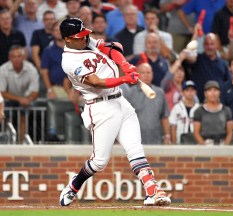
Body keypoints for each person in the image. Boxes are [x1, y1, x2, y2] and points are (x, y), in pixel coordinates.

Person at [58, 18, 171, 206]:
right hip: (100, 107)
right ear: (68, 39)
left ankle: (153, 191)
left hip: (120, 100)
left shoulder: (87, 41)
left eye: (85, 34)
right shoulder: (68, 61)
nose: (86, 38)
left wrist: (125, 65)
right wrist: (124, 79)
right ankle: (74, 186)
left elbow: (113, 47)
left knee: (135, 149)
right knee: (99, 162)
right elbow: (96, 82)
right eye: (80, 36)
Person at [0, 45, 39, 142]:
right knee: (4, 113)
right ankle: (6, 142)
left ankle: (21, 144)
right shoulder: (3, 69)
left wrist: (28, 99)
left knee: (24, 114)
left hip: (26, 99)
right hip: (8, 100)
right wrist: (19, 99)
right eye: (14, 56)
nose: (16, 59)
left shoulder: (31, 69)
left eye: (19, 56)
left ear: (24, 57)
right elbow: (2, 92)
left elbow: (35, 92)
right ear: (9, 57)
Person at [126, 63, 171, 145]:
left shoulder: (160, 92)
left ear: (152, 74)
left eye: (148, 72)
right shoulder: (130, 93)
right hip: (135, 142)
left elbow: (164, 116)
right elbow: (124, 118)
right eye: (143, 73)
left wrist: (167, 135)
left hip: (156, 140)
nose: (146, 75)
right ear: (137, 75)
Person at [186, 33, 231, 103]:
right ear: (203, 45)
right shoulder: (197, 59)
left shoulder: (223, 63)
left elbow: (228, 84)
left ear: (217, 45)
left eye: (212, 44)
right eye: (207, 44)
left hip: (218, 103)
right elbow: (187, 53)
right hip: (199, 103)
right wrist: (195, 36)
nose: (209, 47)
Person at [193, 80, 233, 145]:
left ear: (219, 92)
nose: (213, 93)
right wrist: (204, 147)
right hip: (205, 144)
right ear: (205, 94)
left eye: (215, 90)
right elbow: (196, 133)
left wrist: (225, 147)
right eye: (209, 90)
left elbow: (230, 132)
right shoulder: (199, 111)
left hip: (222, 144)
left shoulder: (226, 110)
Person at [41, 21, 70, 100]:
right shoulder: (48, 50)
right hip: (56, 88)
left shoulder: (74, 49)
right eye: (56, 30)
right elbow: (44, 72)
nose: (58, 32)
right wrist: (50, 90)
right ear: (52, 33)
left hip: (74, 88)